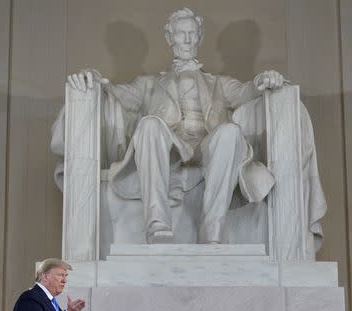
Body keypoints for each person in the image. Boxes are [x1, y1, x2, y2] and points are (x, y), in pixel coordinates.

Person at [61, 8, 326, 245]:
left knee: (230, 132)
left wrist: (264, 79)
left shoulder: (218, 83)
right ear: (170, 38)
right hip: (171, 149)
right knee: (150, 125)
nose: (186, 40)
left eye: (191, 34)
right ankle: (157, 224)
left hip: (206, 147)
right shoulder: (149, 85)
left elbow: (247, 92)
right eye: (180, 34)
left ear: (198, 38)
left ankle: (212, 230)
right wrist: (94, 80)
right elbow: (116, 94)